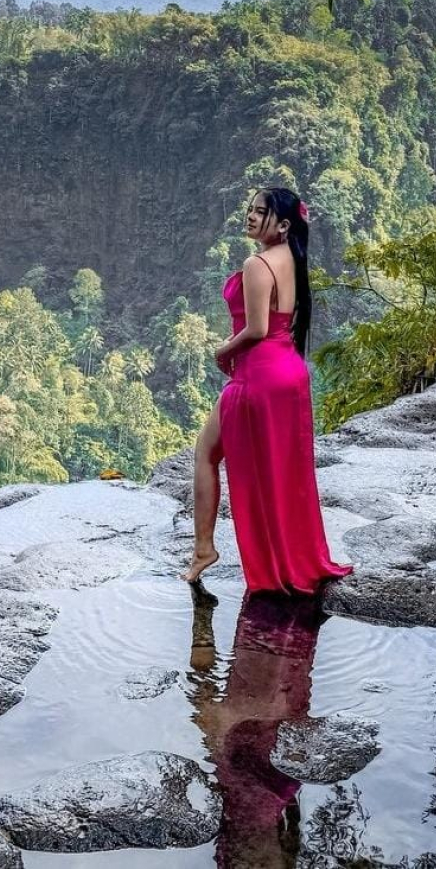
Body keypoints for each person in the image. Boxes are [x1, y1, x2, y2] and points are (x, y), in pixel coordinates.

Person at [181, 187, 352, 594]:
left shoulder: (257, 264)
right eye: (251, 209)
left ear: (284, 224)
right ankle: (293, 554)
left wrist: (222, 350)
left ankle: (204, 549)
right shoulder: (291, 257)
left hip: (259, 375)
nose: (251, 216)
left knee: (206, 454)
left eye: (261, 212)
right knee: (285, 471)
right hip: (289, 371)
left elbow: (256, 329)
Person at [187, 581, 323, 867]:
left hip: (245, 769)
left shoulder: (236, 837)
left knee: (213, 700)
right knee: (274, 676)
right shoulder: (284, 790)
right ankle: (206, 620)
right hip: (263, 770)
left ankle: (202, 620)